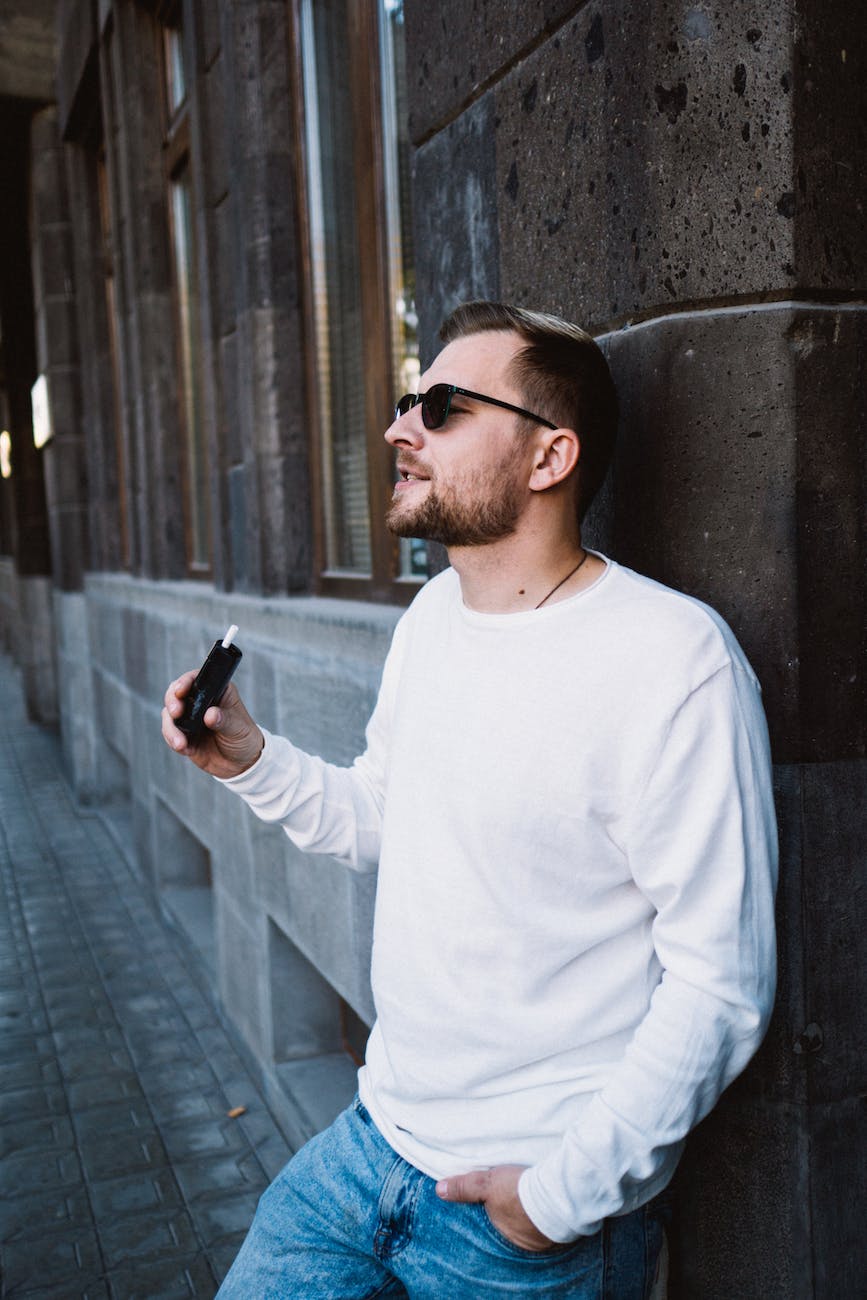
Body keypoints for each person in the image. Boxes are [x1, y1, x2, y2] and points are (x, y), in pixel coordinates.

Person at [162, 301, 778, 1298]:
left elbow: (721, 982)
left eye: (443, 407)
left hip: (523, 1212)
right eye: (409, 401)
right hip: (368, 1147)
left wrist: (557, 1199)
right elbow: (384, 819)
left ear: (550, 457)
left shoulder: (674, 661)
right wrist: (250, 758)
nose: (402, 428)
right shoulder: (433, 617)